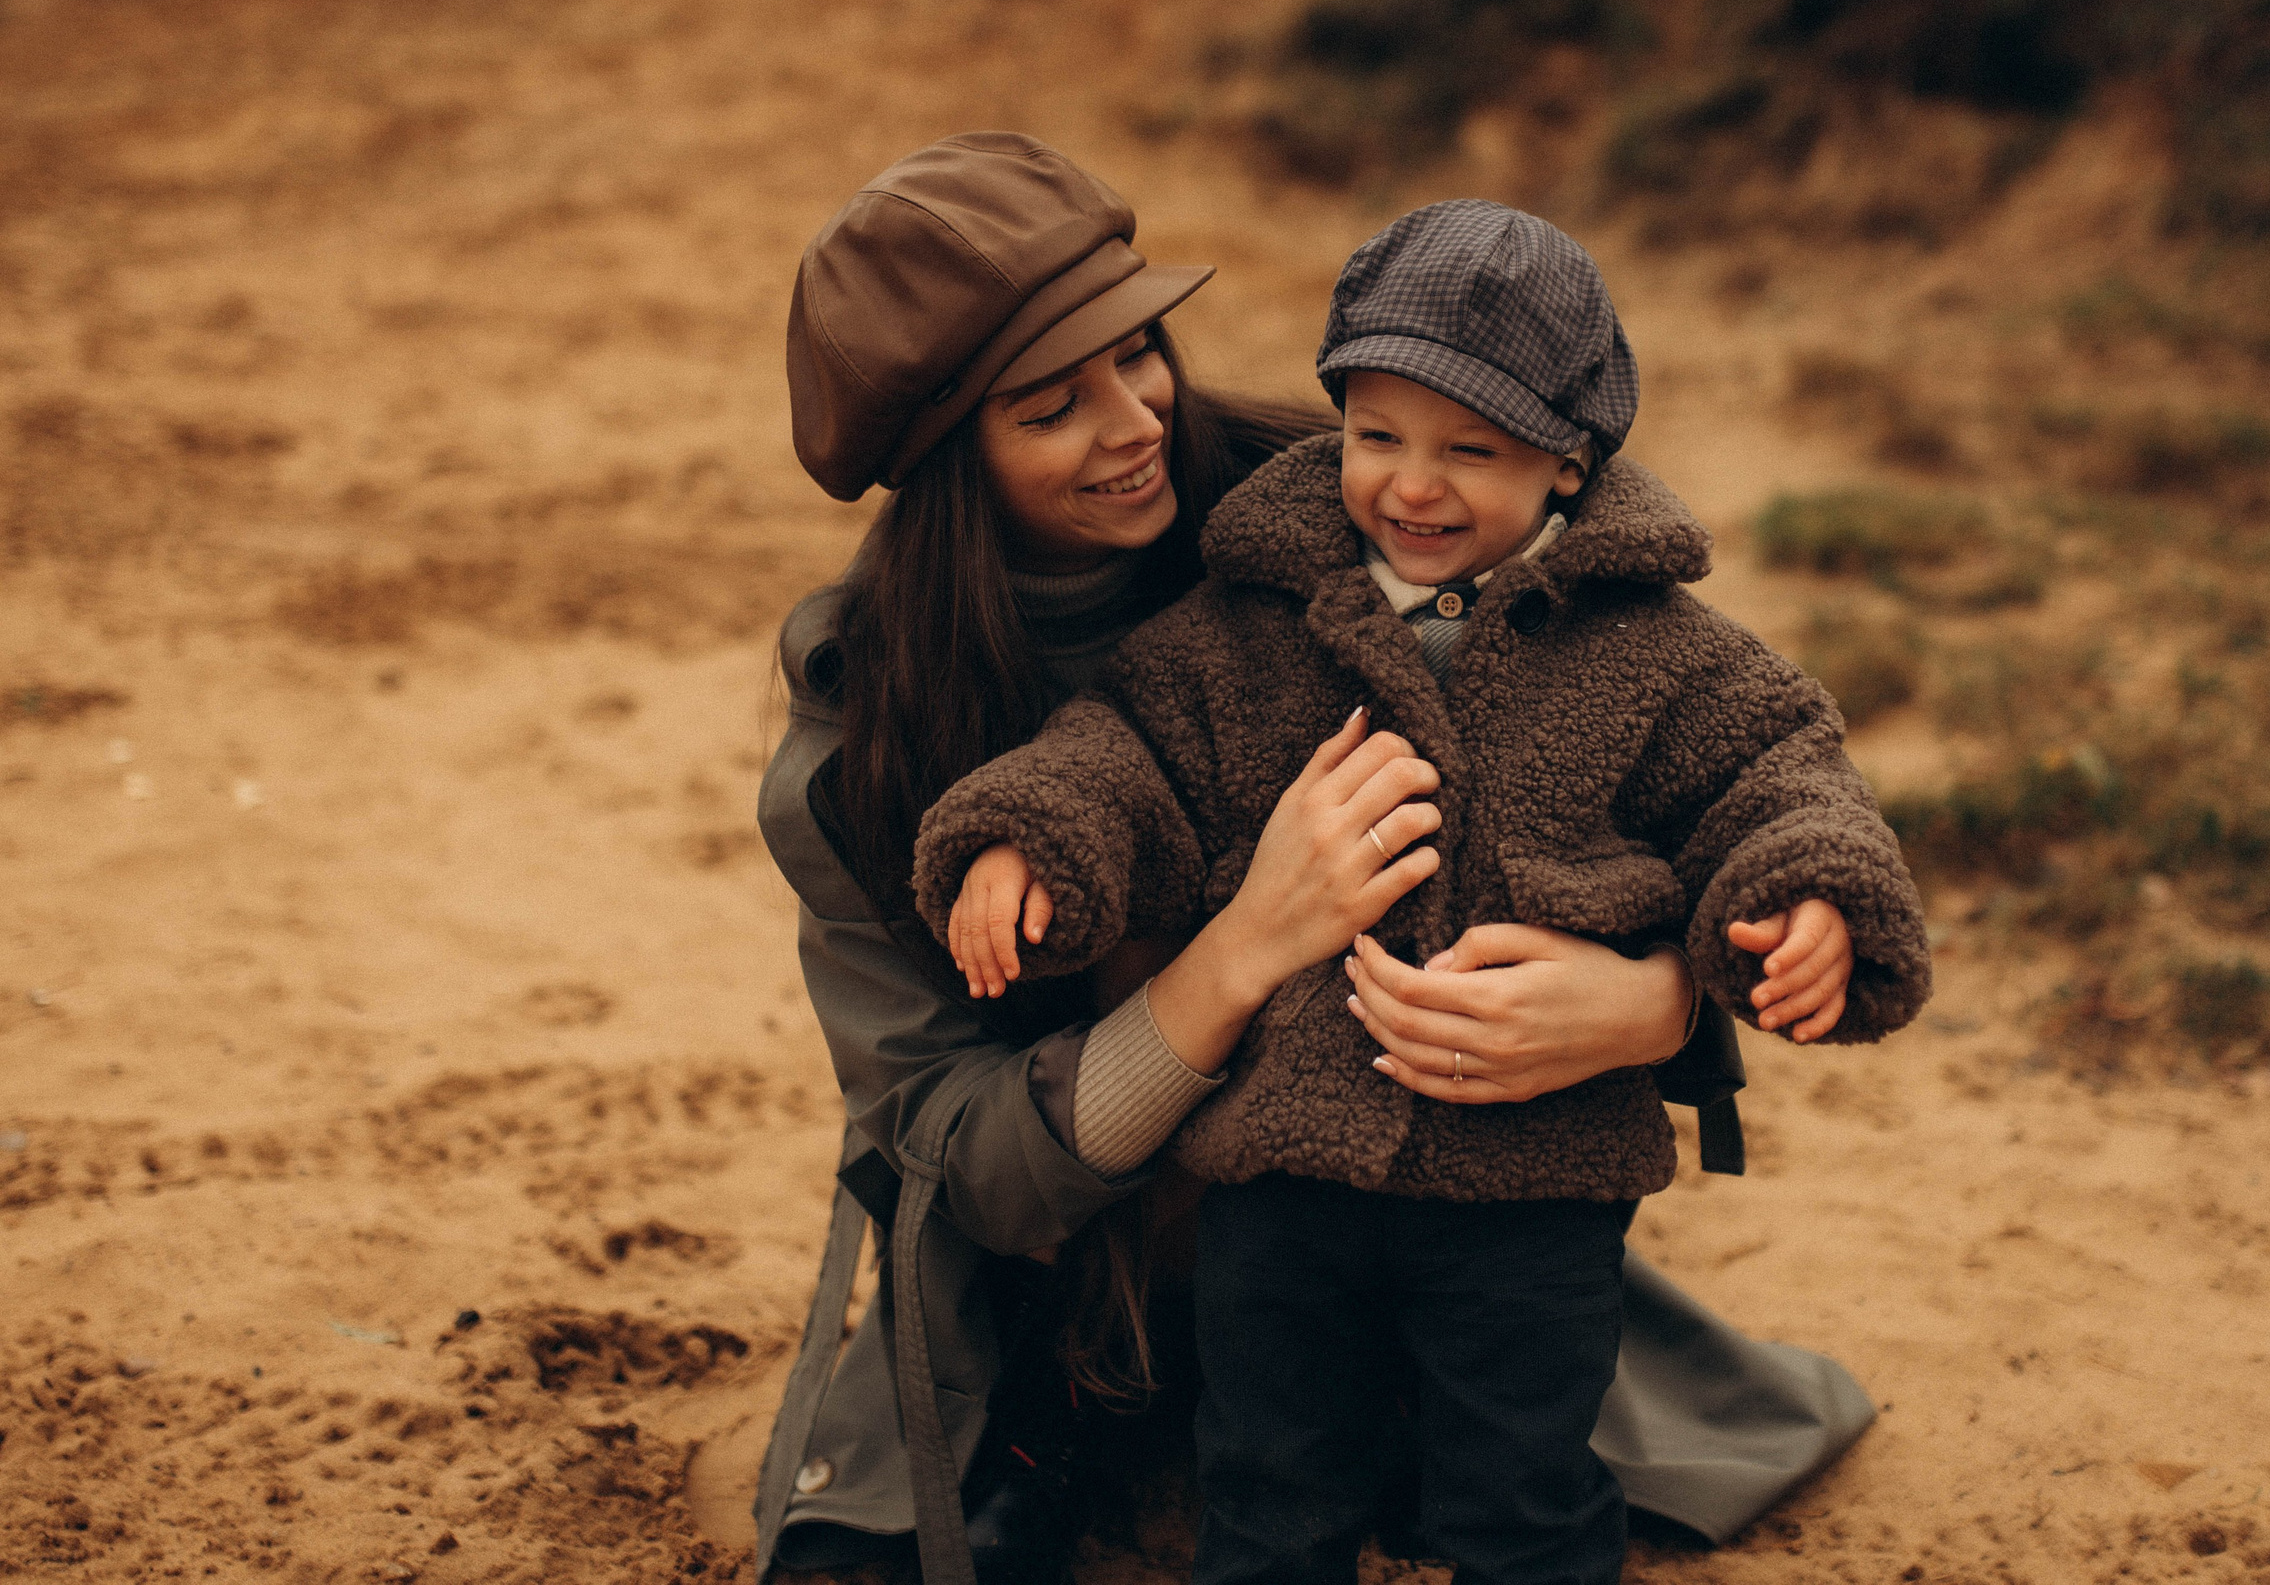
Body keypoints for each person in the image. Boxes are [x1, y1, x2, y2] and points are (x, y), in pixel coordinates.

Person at [753, 135, 1880, 1585]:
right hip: (1082, 1261)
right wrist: (1243, 946)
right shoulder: (870, 738)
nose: (1134, 422)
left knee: (1508, 1474)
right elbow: (967, 1162)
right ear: (948, 463)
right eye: (1051, 406)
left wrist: (1653, 1003)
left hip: (1443, 1183)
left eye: (1137, 352)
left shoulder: (1351, 500)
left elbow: (1679, 771)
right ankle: (1080, 1430)